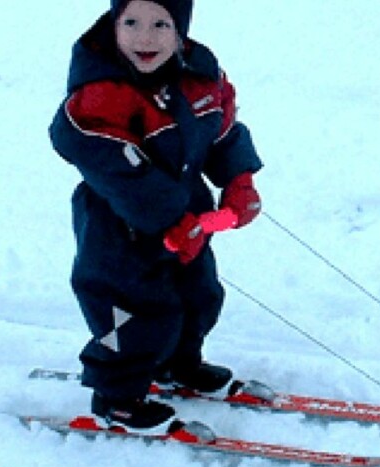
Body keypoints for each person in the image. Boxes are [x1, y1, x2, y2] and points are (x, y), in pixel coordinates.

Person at [49, 0, 263, 431]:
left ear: (180, 30)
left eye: (160, 24)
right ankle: (118, 398)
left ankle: (177, 365)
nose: (144, 37)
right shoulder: (101, 93)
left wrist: (239, 179)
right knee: (135, 315)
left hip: (187, 220)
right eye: (131, 22)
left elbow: (222, 132)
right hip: (118, 226)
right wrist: (169, 216)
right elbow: (115, 168)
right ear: (113, 24)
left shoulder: (199, 79)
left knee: (198, 296)